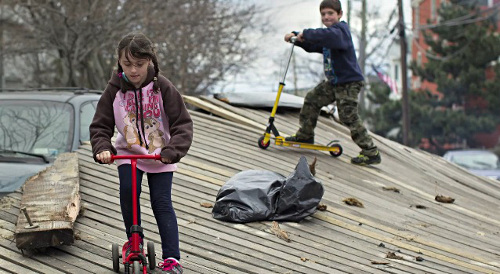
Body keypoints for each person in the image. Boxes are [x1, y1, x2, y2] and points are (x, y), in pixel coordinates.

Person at [89, 32, 193, 274]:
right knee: (128, 193)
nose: (133, 70)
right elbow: (100, 125)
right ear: (119, 63)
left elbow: (183, 124)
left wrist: (173, 150)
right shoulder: (114, 89)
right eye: (127, 64)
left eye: (139, 64)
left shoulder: (163, 87)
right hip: (127, 153)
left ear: (150, 61)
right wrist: (103, 147)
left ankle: (172, 259)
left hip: (160, 154)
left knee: (161, 202)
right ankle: (134, 244)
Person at [283, 0, 381, 165]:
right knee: (312, 99)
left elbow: (325, 36)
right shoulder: (329, 37)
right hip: (335, 82)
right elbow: (313, 44)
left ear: (340, 14)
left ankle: (371, 151)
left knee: (347, 115)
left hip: (349, 83)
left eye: (330, 14)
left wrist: (305, 32)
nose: (326, 17)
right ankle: (305, 135)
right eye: (323, 14)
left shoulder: (340, 32)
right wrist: (297, 39)